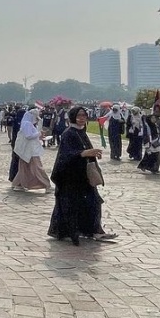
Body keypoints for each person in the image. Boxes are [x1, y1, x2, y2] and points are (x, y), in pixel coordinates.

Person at [47, 105, 116, 245]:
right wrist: (84, 153)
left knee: (94, 203)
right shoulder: (68, 133)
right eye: (79, 116)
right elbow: (65, 155)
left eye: (84, 116)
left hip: (84, 176)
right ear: (73, 117)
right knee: (71, 206)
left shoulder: (81, 132)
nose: (82, 119)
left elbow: (85, 151)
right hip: (71, 178)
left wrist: (92, 155)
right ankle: (68, 231)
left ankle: (95, 231)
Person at [10, 107, 51, 191]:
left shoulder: (27, 123)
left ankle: (18, 184)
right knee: (37, 168)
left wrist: (39, 135)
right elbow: (28, 136)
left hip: (28, 149)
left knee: (24, 168)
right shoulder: (27, 123)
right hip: (30, 150)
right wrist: (39, 134)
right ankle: (46, 184)